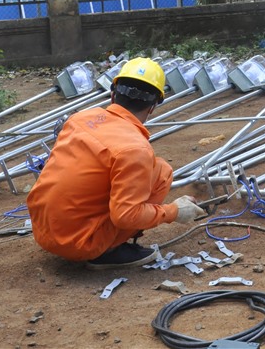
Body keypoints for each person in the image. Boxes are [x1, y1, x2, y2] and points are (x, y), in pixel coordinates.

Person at [27, 58, 206, 269]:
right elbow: (127, 216)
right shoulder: (135, 149)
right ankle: (107, 251)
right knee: (162, 173)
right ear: (152, 107)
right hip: (79, 244)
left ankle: (93, 237)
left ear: (113, 94)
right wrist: (174, 211)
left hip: (42, 230)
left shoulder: (79, 119)